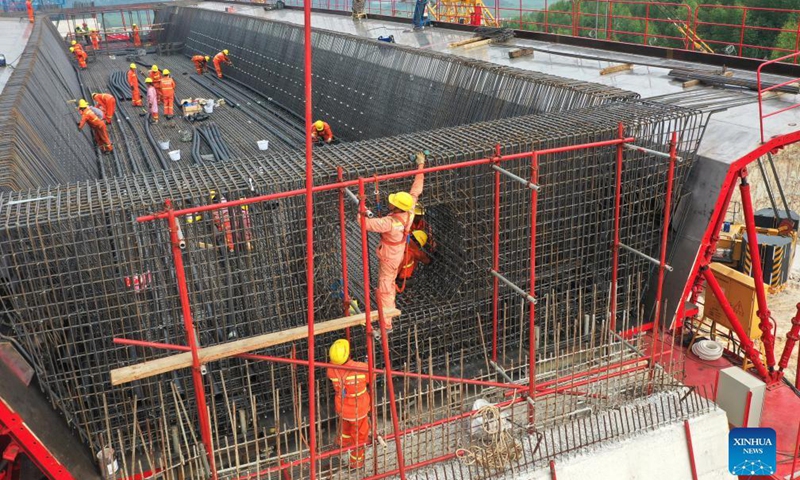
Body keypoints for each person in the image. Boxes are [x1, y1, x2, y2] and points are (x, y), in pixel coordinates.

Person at [358, 152, 426, 333]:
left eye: (393, 202)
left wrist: (361, 208)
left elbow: (365, 224)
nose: (390, 203)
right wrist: (421, 166)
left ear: (397, 207)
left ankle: (387, 324)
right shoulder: (410, 208)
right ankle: (386, 312)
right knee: (387, 284)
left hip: (389, 257)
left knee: (386, 287)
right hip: (397, 252)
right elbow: (417, 188)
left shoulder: (389, 223)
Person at [327, 339, 370, 469]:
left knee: (345, 427)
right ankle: (356, 461)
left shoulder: (330, 370)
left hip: (342, 408)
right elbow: (370, 377)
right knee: (360, 435)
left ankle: (343, 442)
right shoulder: (361, 368)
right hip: (358, 410)